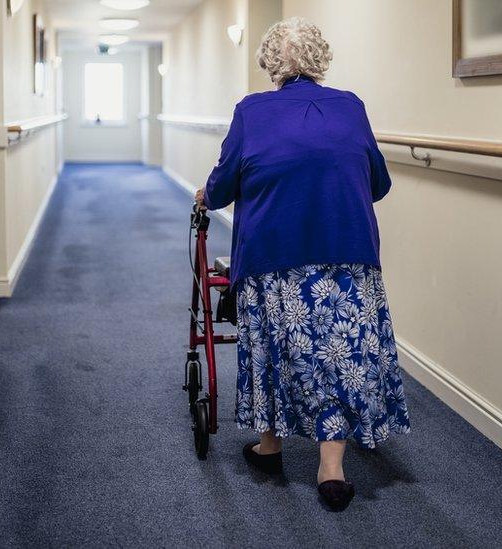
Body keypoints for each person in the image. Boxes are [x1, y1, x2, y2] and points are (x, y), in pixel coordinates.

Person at [194, 17, 410, 512]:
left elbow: (224, 186)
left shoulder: (252, 111)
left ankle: (270, 447)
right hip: (347, 251)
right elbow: (378, 182)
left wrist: (210, 193)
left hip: (274, 256)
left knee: (274, 343)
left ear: (271, 63)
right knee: (340, 354)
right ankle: (331, 469)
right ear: (320, 59)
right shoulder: (351, 107)